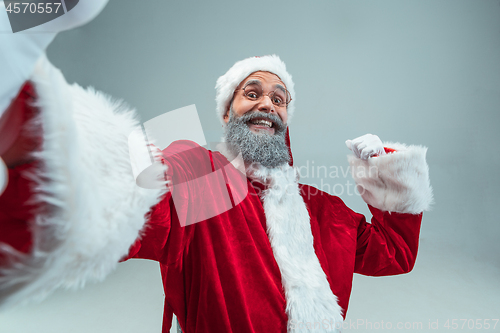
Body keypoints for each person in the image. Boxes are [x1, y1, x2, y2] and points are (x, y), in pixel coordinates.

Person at [0, 3, 433, 333]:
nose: (267, 102)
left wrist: (385, 169)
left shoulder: (323, 210)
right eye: (252, 92)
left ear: (285, 121)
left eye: (279, 99)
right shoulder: (202, 176)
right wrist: (21, 82)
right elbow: (121, 212)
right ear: (227, 114)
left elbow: (394, 252)